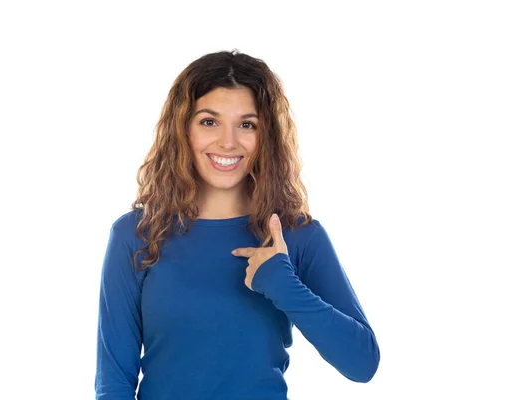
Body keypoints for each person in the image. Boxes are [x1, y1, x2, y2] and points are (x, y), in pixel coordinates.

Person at [94, 49, 380, 400]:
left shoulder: (296, 235)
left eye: (247, 124)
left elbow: (362, 363)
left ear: (266, 138)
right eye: (209, 121)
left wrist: (284, 285)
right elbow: (114, 382)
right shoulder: (136, 234)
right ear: (183, 129)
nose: (228, 142)